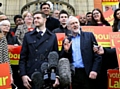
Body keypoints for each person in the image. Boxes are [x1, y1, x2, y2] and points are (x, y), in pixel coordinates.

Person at [19, 11, 59, 89]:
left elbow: (55, 58)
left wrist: (57, 76)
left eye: (38, 18)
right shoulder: (28, 36)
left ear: (44, 20)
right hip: (31, 75)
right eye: (34, 18)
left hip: (47, 76)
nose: (35, 20)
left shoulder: (52, 36)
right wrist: (23, 75)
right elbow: (23, 58)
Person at [60, 16, 102, 89]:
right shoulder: (67, 41)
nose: (75, 25)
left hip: (88, 73)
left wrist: (94, 70)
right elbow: (62, 59)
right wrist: (66, 51)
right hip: (74, 74)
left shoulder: (89, 36)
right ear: (68, 27)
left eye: (76, 23)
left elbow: (97, 55)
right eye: (72, 23)